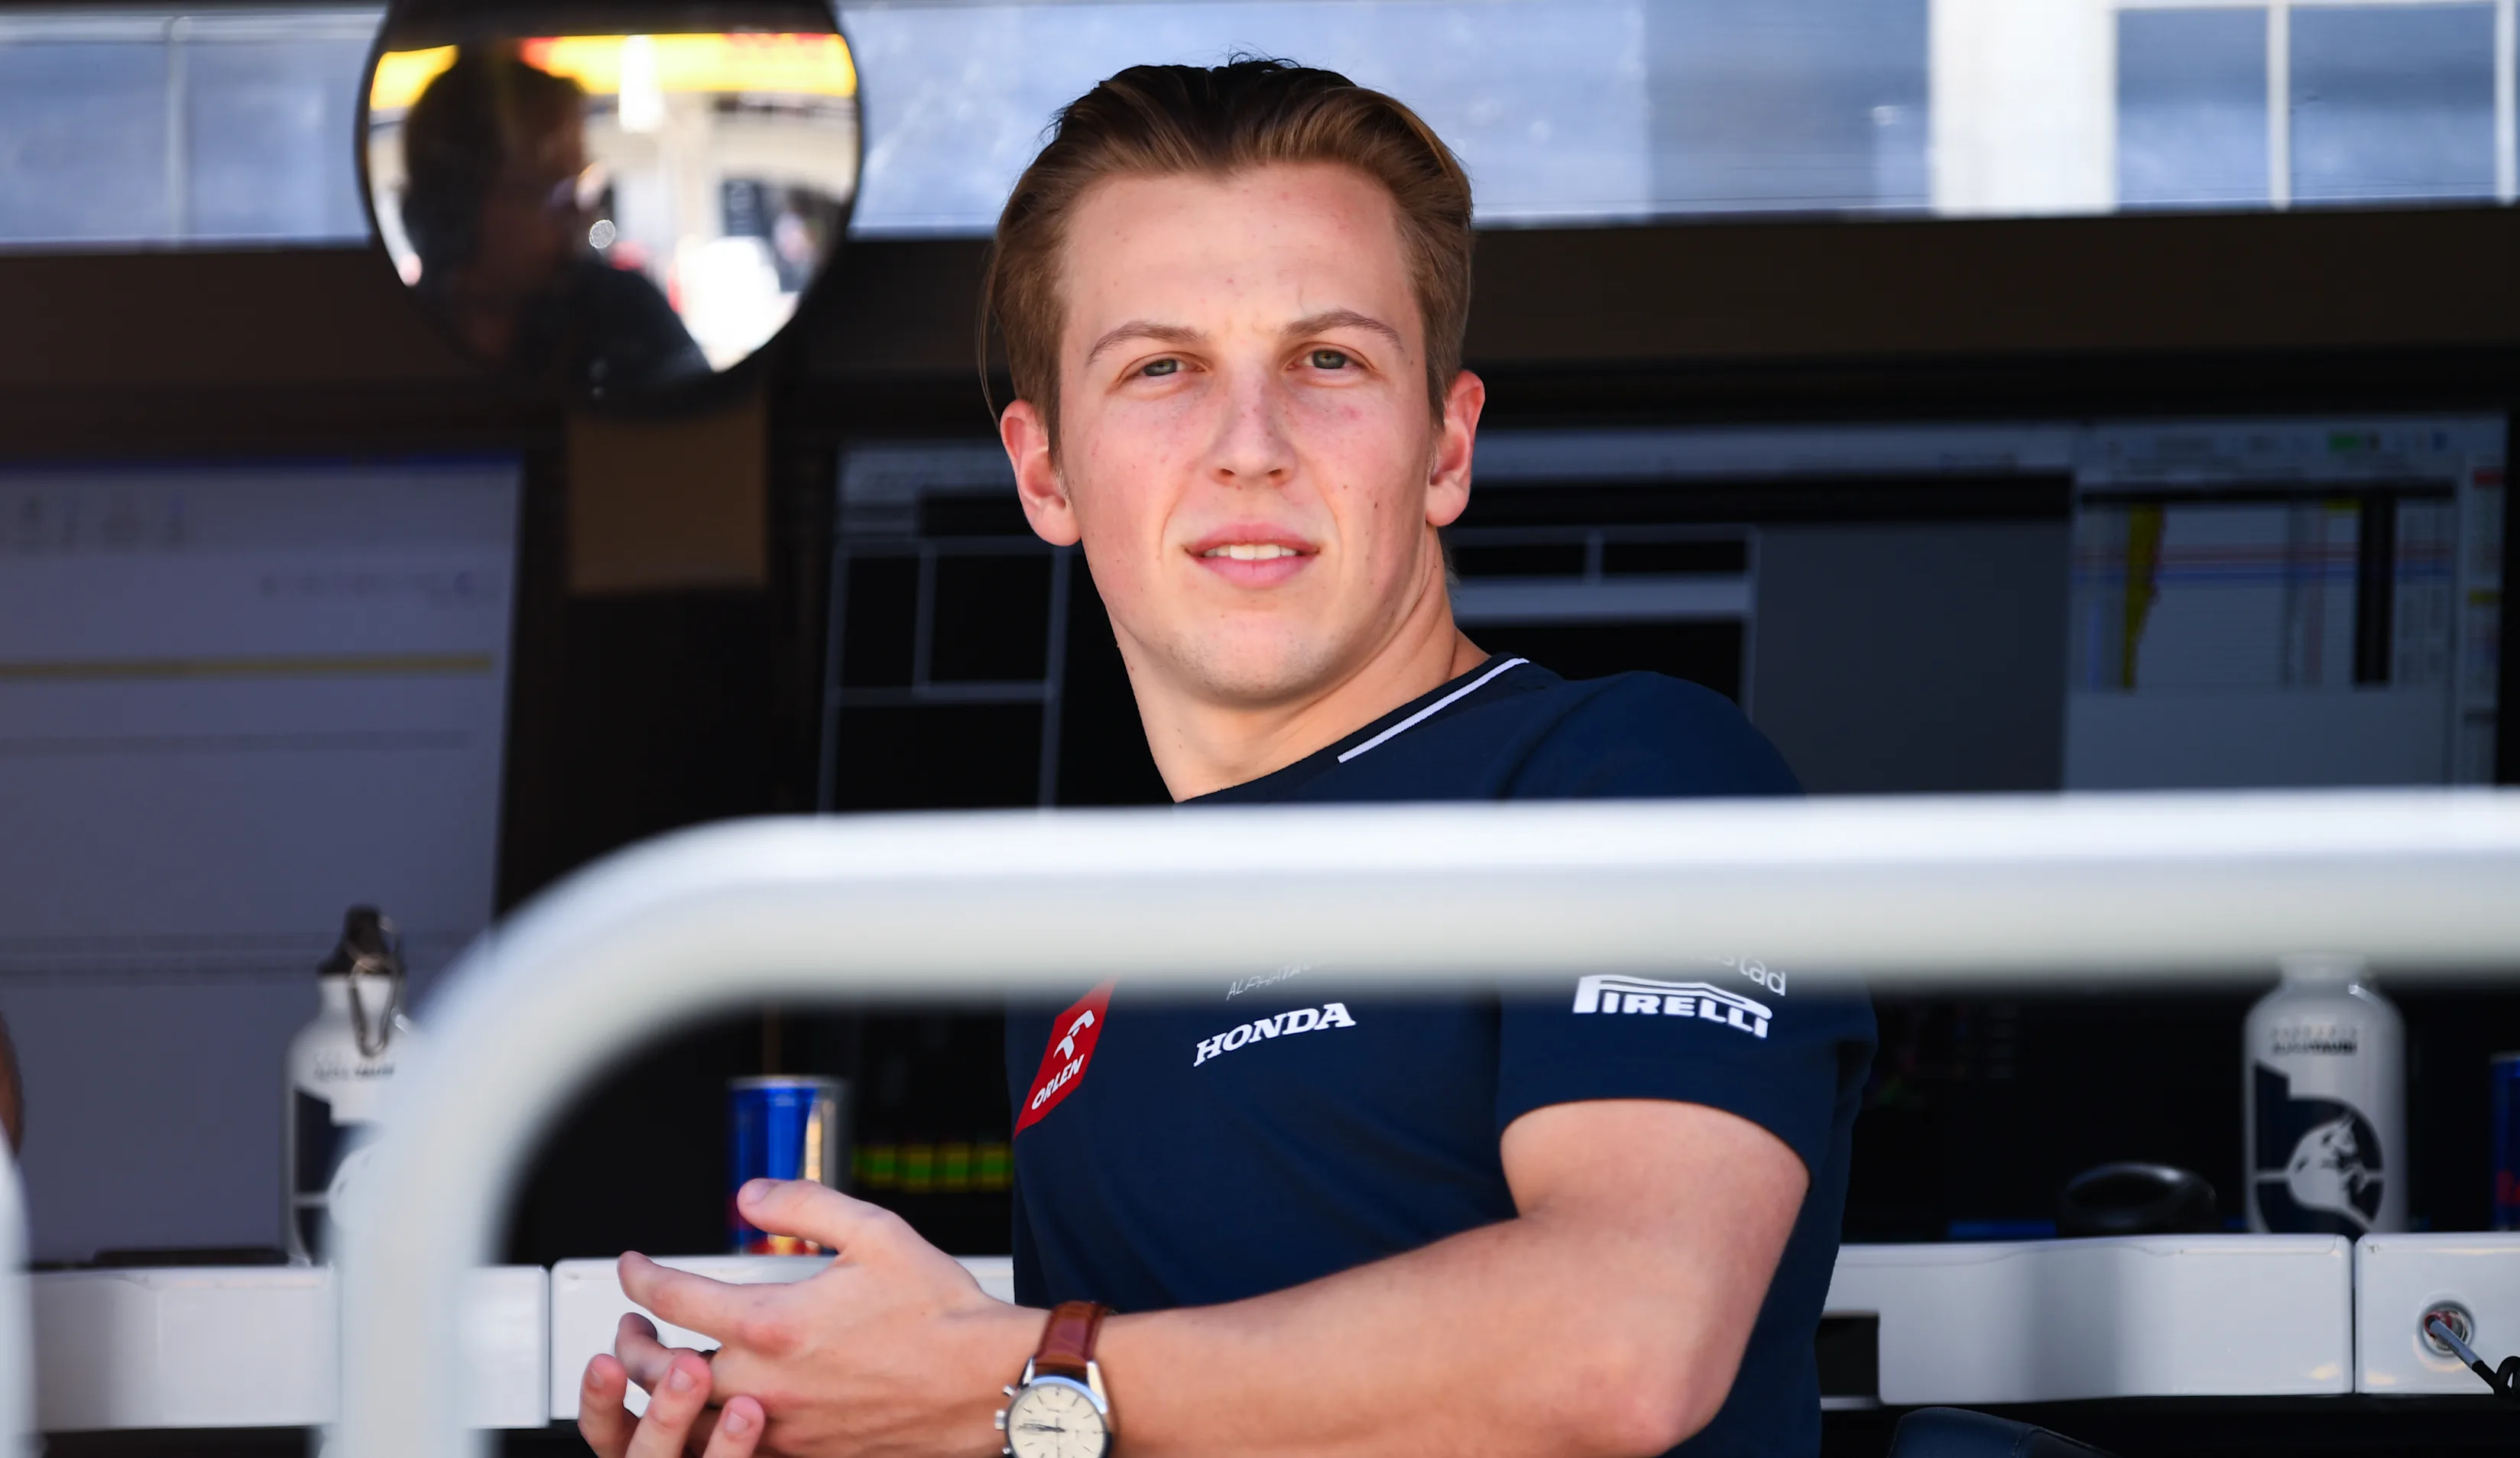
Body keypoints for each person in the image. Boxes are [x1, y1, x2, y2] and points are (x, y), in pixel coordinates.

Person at [579, 60, 1872, 1458]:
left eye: (1328, 360)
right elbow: (1135, 1418)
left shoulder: (1633, 775)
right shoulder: (1086, 967)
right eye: (1162, 368)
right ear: (1046, 474)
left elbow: (1624, 1343)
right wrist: (845, 1422)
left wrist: (1007, 1378)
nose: (1248, 446)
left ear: (1444, 446)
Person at [401, 48, 708, 396]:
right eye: (560, 195)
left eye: (581, 187)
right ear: (457, 209)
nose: (583, 216)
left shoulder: (626, 314)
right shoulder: (388, 346)